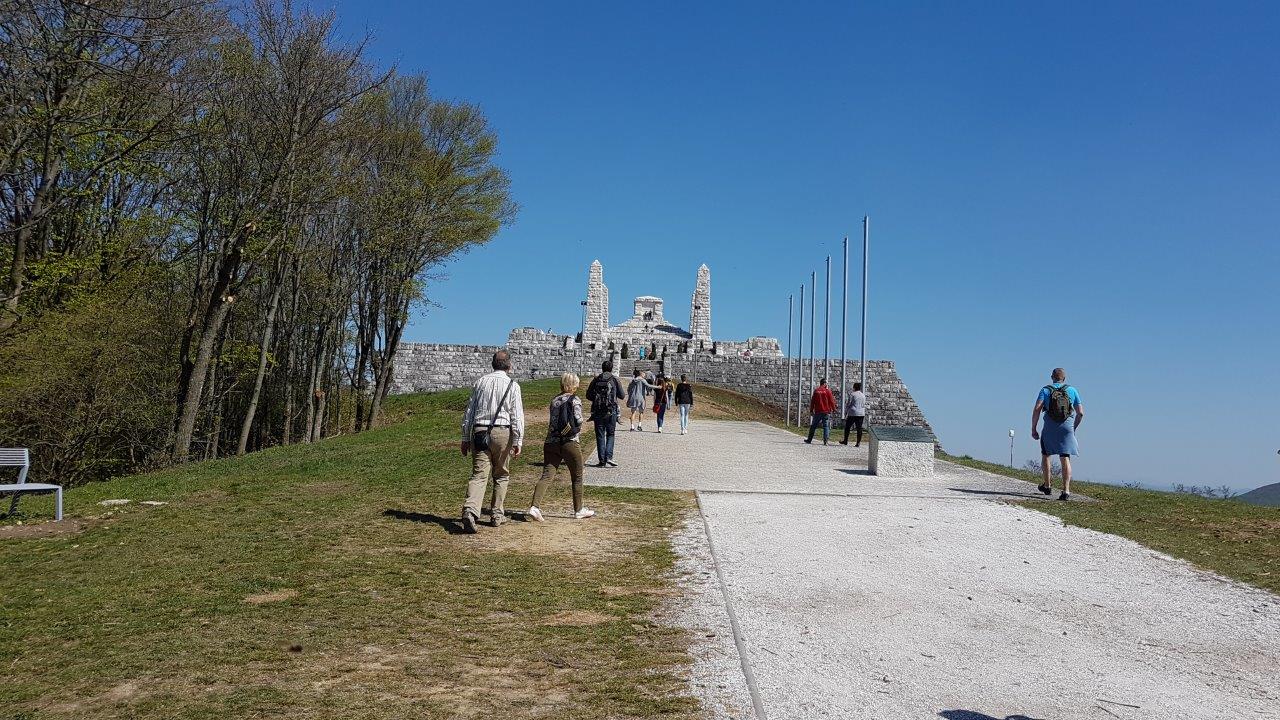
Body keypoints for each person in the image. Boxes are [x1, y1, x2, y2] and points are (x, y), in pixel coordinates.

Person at [459, 350, 525, 533]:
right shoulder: (513, 385)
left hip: (480, 430)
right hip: (503, 432)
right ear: (509, 365)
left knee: (479, 475)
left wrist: (465, 437)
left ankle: (470, 511)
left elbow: (469, 412)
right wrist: (518, 440)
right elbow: (517, 416)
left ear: (492, 364)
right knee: (501, 474)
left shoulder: (481, 382)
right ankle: (497, 514)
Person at [527, 373, 595, 521]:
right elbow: (578, 419)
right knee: (577, 476)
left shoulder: (554, 400)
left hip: (551, 441)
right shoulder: (575, 400)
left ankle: (534, 507)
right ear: (573, 385)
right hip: (569, 442)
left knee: (547, 475)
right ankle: (578, 509)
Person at [1031, 367, 1085, 501]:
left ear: (1052, 377)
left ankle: (1048, 486)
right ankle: (1066, 490)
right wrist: (1073, 428)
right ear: (1064, 378)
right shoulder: (1072, 390)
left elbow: (1037, 409)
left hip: (1050, 426)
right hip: (1067, 427)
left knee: (1046, 454)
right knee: (1065, 456)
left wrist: (1034, 428)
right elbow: (1081, 413)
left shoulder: (1045, 390)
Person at [586, 360, 624, 467]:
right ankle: (609, 457)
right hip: (611, 411)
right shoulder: (614, 379)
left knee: (600, 435)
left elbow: (588, 395)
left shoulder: (596, 379)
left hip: (598, 411)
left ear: (602, 368)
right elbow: (622, 395)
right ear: (611, 368)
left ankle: (602, 461)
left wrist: (597, 399)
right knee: (611, 434)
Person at [805, 377, 836, 445]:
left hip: (818, 411)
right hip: (826, 412)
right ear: (824, 383)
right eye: (826, 383)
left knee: (813, 426)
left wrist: (811, 410)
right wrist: (834, 409)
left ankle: (809, 440)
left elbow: (812, 401)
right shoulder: (828, 391)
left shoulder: (816, 391)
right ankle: (825, 441)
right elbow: (831, 401)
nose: (827, 384)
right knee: (826, 426)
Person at [840, 382, 867, 446]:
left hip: (853, 413)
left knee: (847, 427)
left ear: (854, 387)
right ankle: (858, 442)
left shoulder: (852, 394)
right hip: (861, 413)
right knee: (859, 428)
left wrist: (846, 412)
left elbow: (849, 404)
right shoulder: (863, 395)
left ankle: (845, 440)